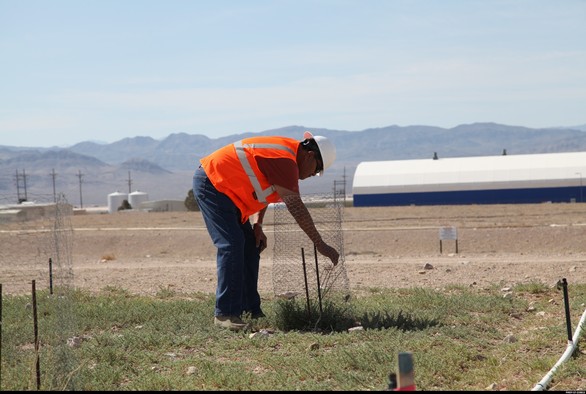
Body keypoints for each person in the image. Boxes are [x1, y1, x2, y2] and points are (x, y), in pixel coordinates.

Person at [192, 131, 340, 331]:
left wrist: (257, 226)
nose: (311, 176)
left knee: (250, 246)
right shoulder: (285, 159)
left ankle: (250, 310)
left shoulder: (286, 158)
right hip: (213, 183)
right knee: (232, 244)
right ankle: (225, 314)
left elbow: (264, 193)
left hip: (229, 194)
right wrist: (320, 244)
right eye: (315, 170)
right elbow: (296, 206)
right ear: (310, 156)